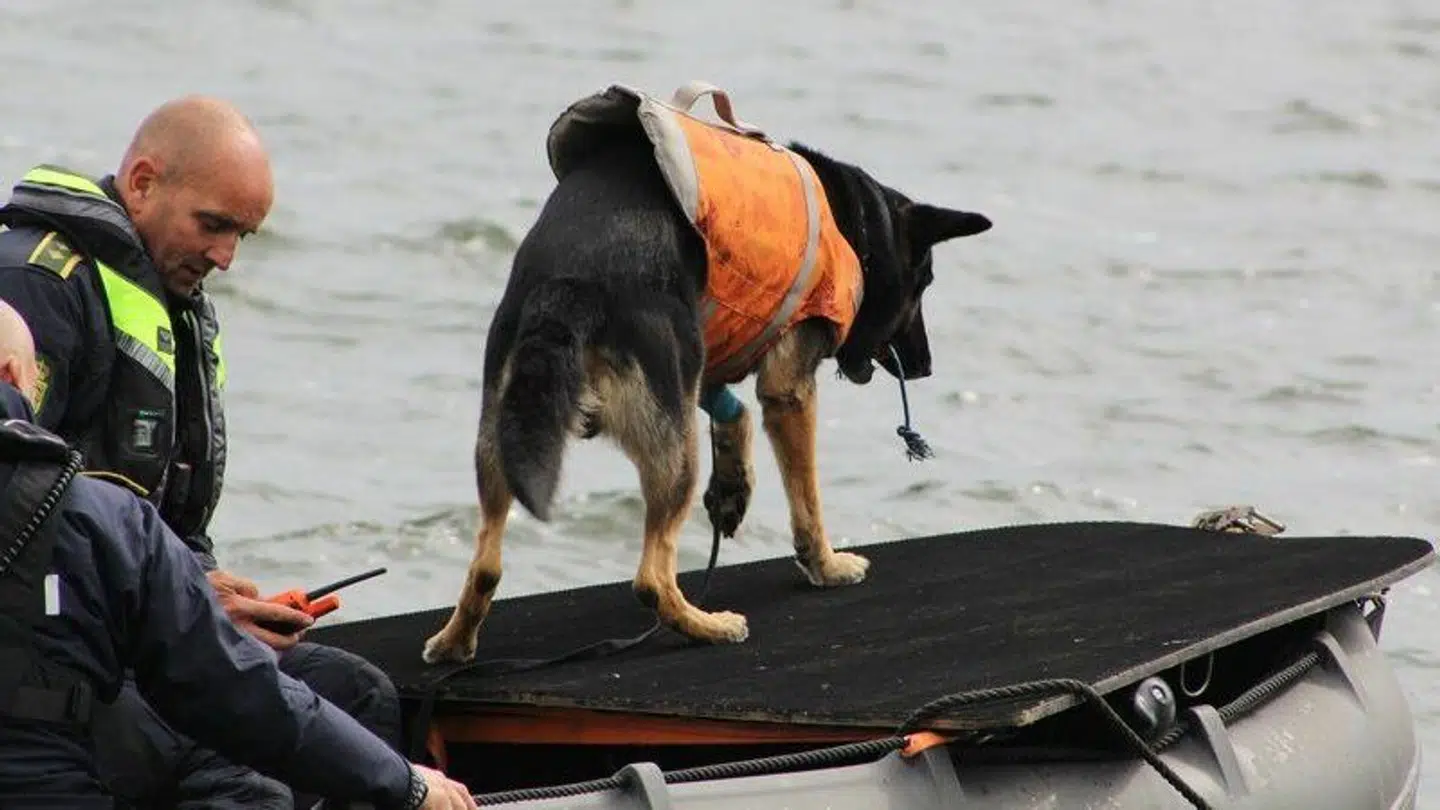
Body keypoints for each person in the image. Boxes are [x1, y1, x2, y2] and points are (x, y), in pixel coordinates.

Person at [0, 96, 402, 809]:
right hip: (65, 662)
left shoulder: (170, 302)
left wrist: (214, 593)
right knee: (238, 776)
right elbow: (27, 518)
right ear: (143, 184)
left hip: (146, 624)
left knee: (360, 694)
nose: (226, 257)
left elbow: (167, 523)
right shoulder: (38, 287)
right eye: (212, 225)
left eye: (242, 234)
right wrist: (181, 608)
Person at [0, 300, 477, 810]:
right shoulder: (102, 519)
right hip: (48, 784)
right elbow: (231, 690)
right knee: (246, 787)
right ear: (12, 375)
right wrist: (407, 783)